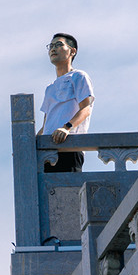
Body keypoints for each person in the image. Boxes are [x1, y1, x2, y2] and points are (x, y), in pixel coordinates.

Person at [40, 33, 94, 172]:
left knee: (69, 192)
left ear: (72, 51)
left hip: (69, 146)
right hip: (47, 151)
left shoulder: (78, 76)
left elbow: (86, 108)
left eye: (58, 45)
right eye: (51, 46)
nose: (53, 49)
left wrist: (66, 128)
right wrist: (28, 145)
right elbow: (46, 124)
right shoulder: (50, 88)